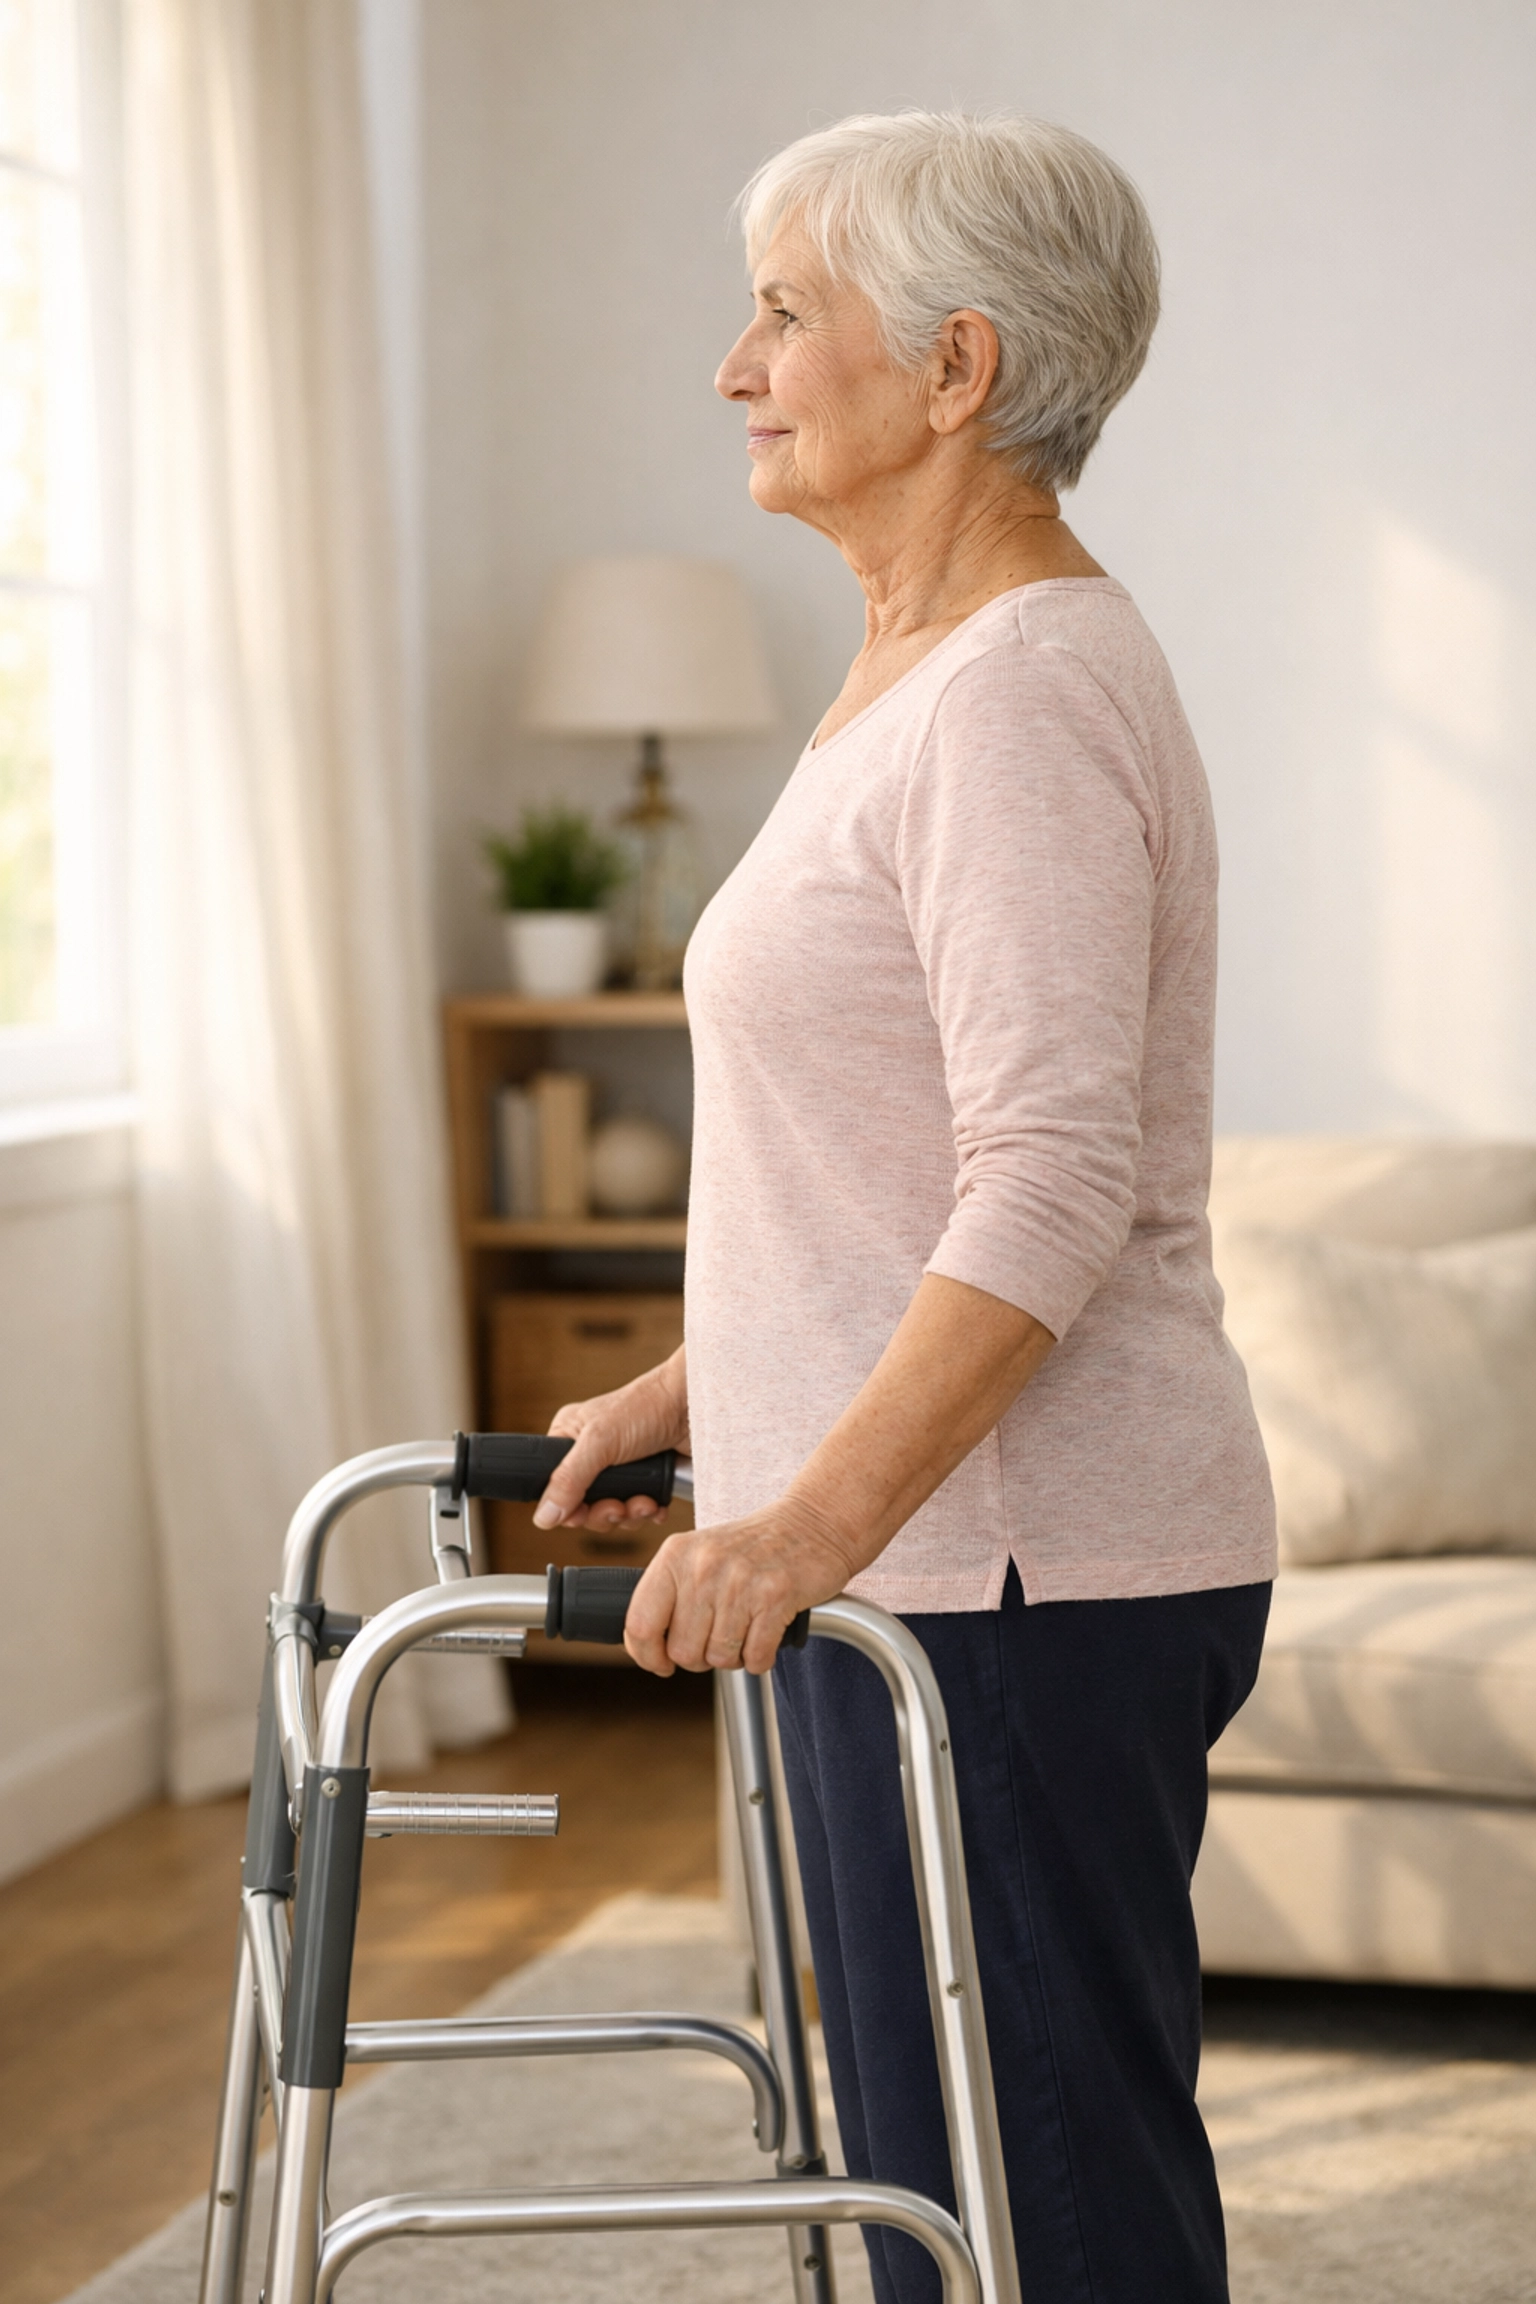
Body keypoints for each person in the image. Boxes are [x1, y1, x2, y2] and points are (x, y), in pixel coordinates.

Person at [530, 110, 1277, 2304]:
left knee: (1044, 2196)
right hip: (938, 1563)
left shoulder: (1023, 692)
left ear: (955, 373)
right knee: (932, 2182)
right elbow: (883, 1156)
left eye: (785, 308)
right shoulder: (914, 674)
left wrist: (798, 1526)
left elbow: (1054, 1176)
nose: (735, 361)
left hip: (1017, 1585)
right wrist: (705, 1390)